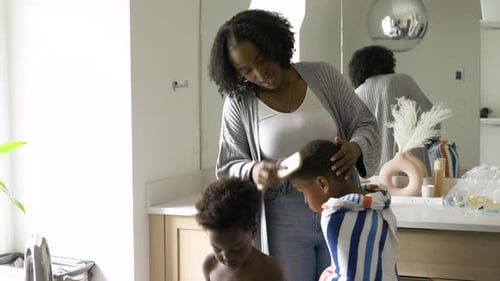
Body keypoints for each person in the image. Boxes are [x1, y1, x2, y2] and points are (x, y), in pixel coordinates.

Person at [208, 9, 381, 281]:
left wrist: (356, 147)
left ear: (275, 44)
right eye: (246, 70)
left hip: (339, 202)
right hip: (281, 214)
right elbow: (227, 166)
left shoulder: (323, 76)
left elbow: (366, 124)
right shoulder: (239, 103)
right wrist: (254, 171)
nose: (260, 72)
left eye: (262, 59)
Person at [285, 139, 399, 281]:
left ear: (322, 184)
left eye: (302, 191)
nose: (305, 200)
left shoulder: (334, 216)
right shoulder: (383, 206)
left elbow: (347, 276)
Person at [348, 45, 435, 175]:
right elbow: (432, 120)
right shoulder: (402, 81)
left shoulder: (356, 93)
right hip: (411, 170)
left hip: (373, 173)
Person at [195, 177, 286, 281]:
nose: (226, 257)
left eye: (236, 248)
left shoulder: (269, 269)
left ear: (253, 231)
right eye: (217, 248)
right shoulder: (210, 265)